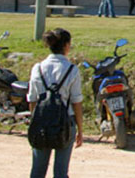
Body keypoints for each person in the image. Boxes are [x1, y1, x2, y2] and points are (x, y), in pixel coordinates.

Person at [27, 28, 84, 178]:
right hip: (65, 122)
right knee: (61, 172)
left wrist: (35, 121)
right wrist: (80, 129)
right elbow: (76, 102)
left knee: (37, 170)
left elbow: (32, 99)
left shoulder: (37, 68)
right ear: (66, 45)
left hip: (42, 122)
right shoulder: (72, 70)